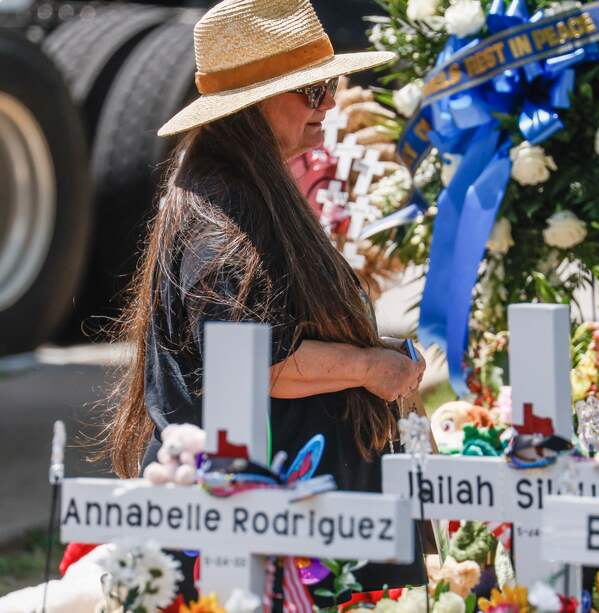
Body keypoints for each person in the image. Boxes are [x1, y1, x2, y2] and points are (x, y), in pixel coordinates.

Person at [99, 0, 427, 604]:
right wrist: (366, 366)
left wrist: (369, 353)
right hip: (265, 538)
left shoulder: (235, 193)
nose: (329, 103)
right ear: (253, 105)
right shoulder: (223, 210)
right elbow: (254, 361)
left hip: (289, 530)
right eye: (313, 90)